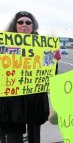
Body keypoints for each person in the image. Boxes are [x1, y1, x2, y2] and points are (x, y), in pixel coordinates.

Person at [0, 11, 49, 143]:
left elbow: (49, 72)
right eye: (20, 22)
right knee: (13, 136)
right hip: (12, 100)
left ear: (33, 26)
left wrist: (53, 59)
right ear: (15, 25)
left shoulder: (44, 45)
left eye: (28, 22)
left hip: (34, 98)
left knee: (34, 135)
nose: (24, 25)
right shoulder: (4, 43)